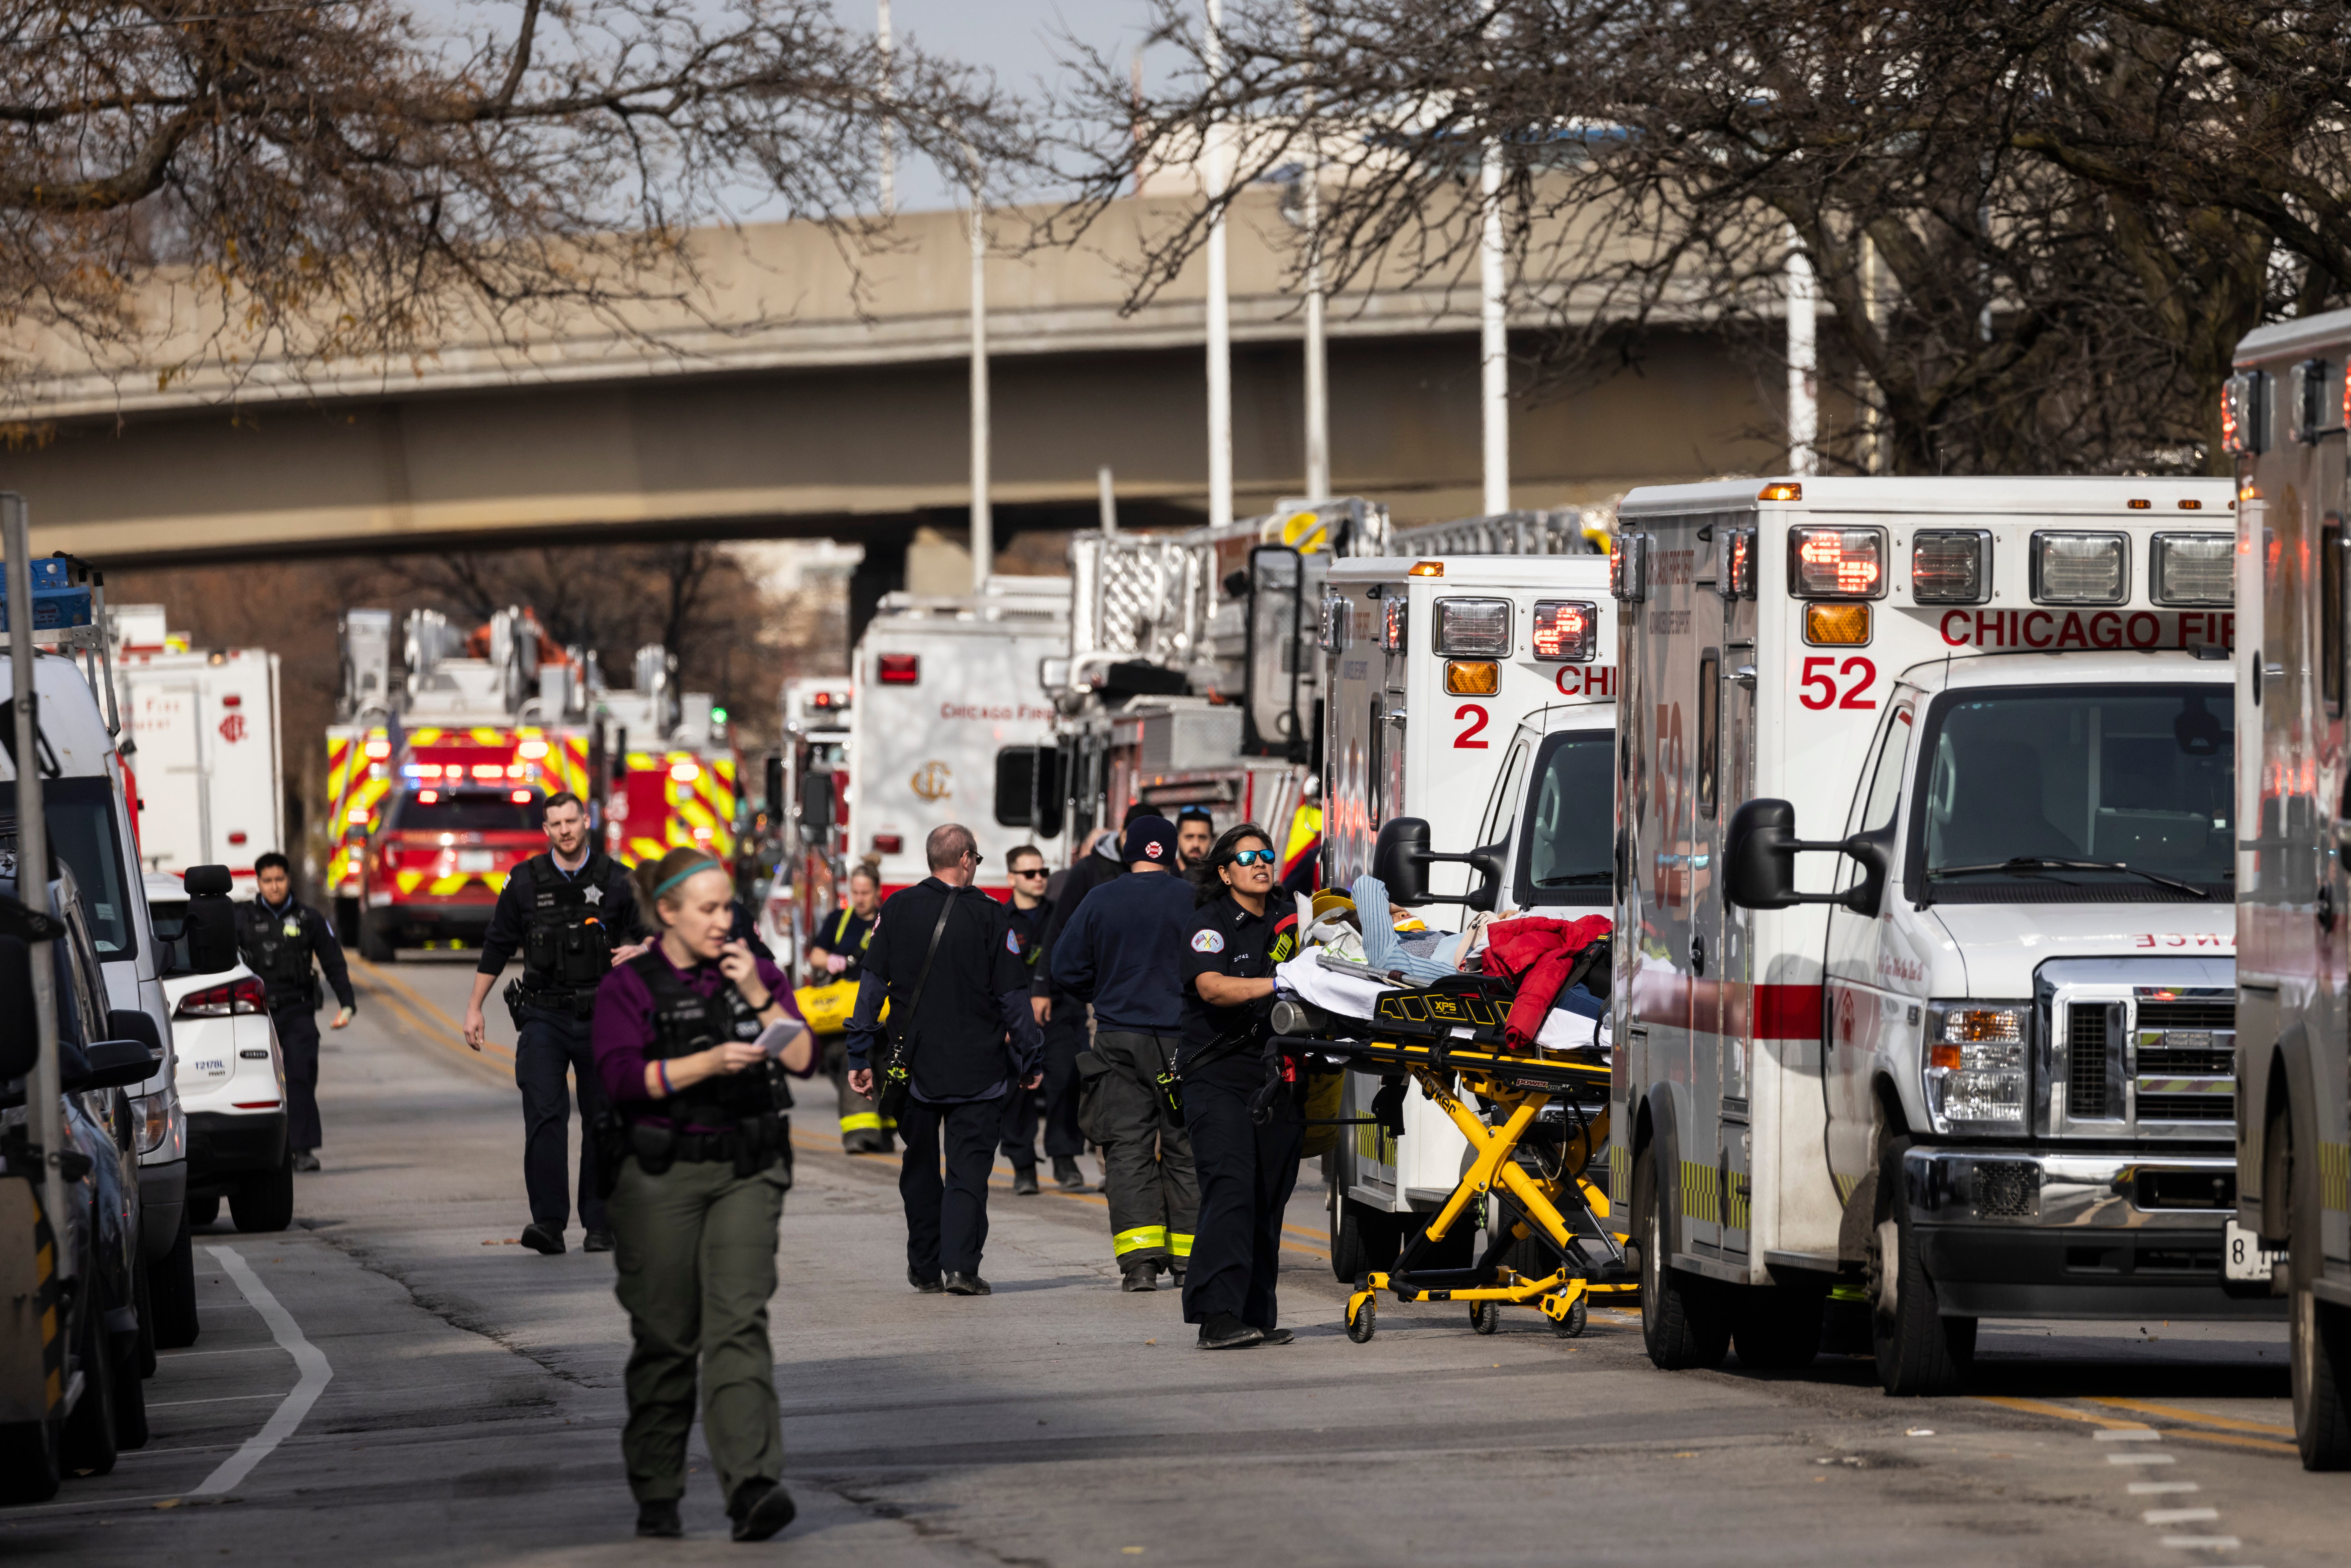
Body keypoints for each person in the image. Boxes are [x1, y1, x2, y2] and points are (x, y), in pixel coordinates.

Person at [591, 847, 815, 1542]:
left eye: (729, 907)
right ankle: (657, 1490)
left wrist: (755, 991)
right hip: (661, 1176)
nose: (725, 922)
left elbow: (804, 1057)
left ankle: (752, 1484)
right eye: (710, 909)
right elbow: (622, 1079)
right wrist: (707, 1063)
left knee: (738, 1323)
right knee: (666, 1336)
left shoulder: (754, 971)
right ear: (668, 913)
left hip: (747, 1169)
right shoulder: (631, 985)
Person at [844, 824, 1041, 1295]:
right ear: (967, 859)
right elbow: (1015, 998)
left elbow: (870, 988)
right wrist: (1031, 1057)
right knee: (968, 1170)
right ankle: (960, 1268)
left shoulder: (896, 909)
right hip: (981, 1069)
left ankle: (924, 1266)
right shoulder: (992, 918)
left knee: (919, 1167)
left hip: (911, 1068)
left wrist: (858, 1053)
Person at [464, 790, 647, 1256]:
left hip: (605, 1017)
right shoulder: (524, 881)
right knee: (545, 1116)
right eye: (556, 824)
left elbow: (661, 930)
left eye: (572, 821)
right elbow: (497, 945)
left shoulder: (618, 880)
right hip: (543, 1015)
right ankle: (548, 1223)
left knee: (603, 1120)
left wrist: (644, 949)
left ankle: (601, 1224)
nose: (565, 830)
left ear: (585, 822)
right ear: (545, 831)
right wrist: (474, 1007)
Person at [1050, 816, 1200, 1290]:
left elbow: (1063, 967)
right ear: (1172, 852)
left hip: (1118, 1039)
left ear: (1126, 851)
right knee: (1186, 1148)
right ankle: (1190, 1261)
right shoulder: (1194, 899)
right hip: (1184, 1041)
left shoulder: (1100, 898)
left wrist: (1103, 990)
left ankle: (1139, 1265)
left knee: (1126, 1148)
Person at [1177, 824, 1305, 1349]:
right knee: (1230, 1186)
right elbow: (1212, 985)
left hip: (1279, 1076)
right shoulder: (1209, 924)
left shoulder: (1291, 916)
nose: (1260, 862)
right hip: (1218, 1076)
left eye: (1266, 854)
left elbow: (1346, 924)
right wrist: (1279, 983)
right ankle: (1216, 1314)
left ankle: (1255, 1310)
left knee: (1268, 1195)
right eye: (1247, 856)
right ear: (1225, 871)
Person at [1029, 806, 1153, 1192]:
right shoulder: (1089, 871)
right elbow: (1059, 929)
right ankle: (1085, 1160)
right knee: (1086, 1075)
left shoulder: (1158, 867)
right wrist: (1041, 986)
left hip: (1145, 995)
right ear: (1122, 832)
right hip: (1094, 996)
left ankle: (1137, 1161)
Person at [235, 852, 355, 1173]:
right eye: (268, 881)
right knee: (257, 1082)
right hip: (257, 1016)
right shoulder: (243, 918)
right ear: (258, 883)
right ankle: (262, 1152)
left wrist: (347, 1003)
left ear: (289, 880)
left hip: (298, 1011)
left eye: (280, 879)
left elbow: (333, 960)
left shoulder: (308, 918)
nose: (275, 887)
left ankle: (302, 1150)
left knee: (301, 1077)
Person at [807, 864, 891, 1153]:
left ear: (878, 891)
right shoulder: (838, 920)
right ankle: (862, 1133)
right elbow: (817, 954)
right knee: (848, 1058)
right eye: (855, 892)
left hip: (882, 1008)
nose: (860, 898)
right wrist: (831, 961)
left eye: (866, 892)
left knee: (883, 1063)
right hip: (847, 1009)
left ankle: (882, 1130)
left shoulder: (888, 919)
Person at [996, 844, 1056, 1194]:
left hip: (1057, 1015)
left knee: (1064, 1084)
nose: (1039, 879)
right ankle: (1024, 1167)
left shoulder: (1058, 915)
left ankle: (1064, 1158)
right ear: (1011, 878)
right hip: (1015, 1022)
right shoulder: (1001, 920)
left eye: (1043, 872)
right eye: (1030, 873)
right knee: (1017, 1094)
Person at [1176, 807, 1216, 871]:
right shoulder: (1164, 875)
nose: (1196, 845)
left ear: (1213, 840)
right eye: (1190, 837)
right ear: (1176, 840)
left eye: (1202, 838)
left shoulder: (1221, 876)